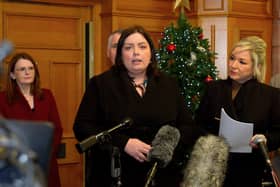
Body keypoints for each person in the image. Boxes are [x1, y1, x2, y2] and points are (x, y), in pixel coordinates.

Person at [73, 25, 202, 187]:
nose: (136, 52)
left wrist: (168, 144)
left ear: (151, 53)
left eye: (142, 47)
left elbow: (189, 127)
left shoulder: (168, 84)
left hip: (161, 174)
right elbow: (82, 128)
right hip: (115, 174)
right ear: (120, 54)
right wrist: (124, 143)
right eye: (128, 48)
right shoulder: (101, 84)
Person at [195, 36, 280, 187]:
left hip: (249, 171)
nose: (233, 65)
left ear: (256, 66)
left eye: (242, 62)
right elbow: (198, 125)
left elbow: (278, 133)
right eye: (232, 58)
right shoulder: (214, 89)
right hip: (213, 169)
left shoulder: (271, 95)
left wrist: (265, 139)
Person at [0, 52, 63, 187]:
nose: (27, 72)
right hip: (16, 165)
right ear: (12, 75)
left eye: (31, 68)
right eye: (22, 69)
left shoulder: (47, 95)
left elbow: (57, 128)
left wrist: (46, 152)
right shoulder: (3, 99)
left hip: (45, 162)